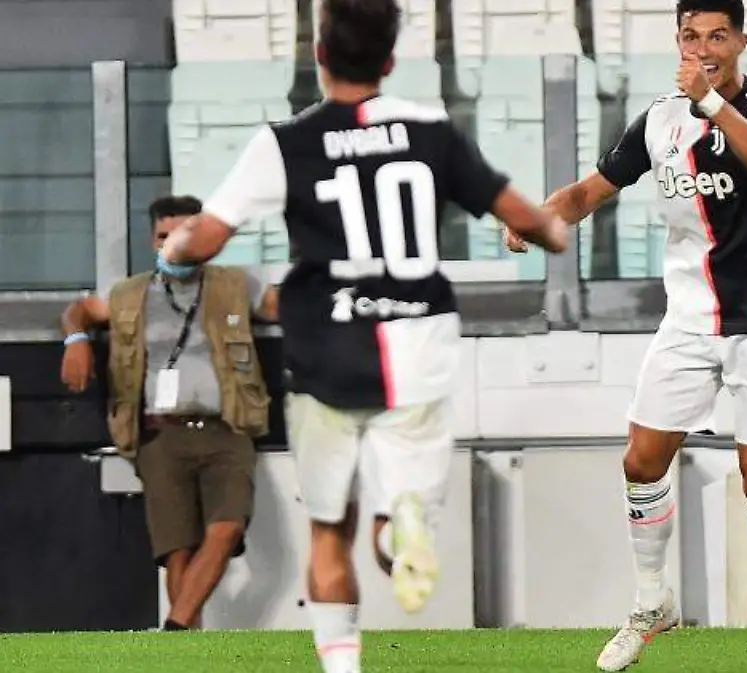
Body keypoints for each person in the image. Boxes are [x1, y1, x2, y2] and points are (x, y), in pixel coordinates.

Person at [156, 1, 569, 671]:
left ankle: (344, 664)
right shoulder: (431, 131)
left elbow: (202, 239)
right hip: (419, 343)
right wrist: (549, 230)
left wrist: (175, 252)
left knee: (329, 529)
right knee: (397, 515)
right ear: (390, 60)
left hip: (328, 348)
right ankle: (401, 530)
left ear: (320, 55)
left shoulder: (286, 142)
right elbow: (530, 218)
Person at [506, 1, 747, 670]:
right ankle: (653, 602)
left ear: (741, 41)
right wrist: (539, 216)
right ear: (677, 41)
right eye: (690, 36)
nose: (703, 47)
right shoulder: (658, 121)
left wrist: (711, 102)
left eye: (717, 36)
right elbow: (591, 191)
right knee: (641, 461)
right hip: (688, 319)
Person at [60, 194, 278, 631]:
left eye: (184, 234)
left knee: (227, 527)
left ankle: (173, 631)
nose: (173, 244)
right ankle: (186, 646)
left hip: (226, 426)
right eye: (164, 235)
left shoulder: (236, 284)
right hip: (160, 434)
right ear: (152, 240)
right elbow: (80, 310)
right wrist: (76, 340)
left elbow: (287, 306)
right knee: (177, 550)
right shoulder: (130, 294)